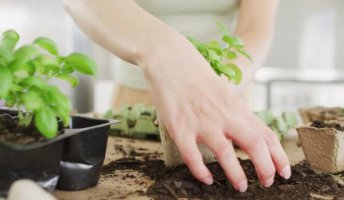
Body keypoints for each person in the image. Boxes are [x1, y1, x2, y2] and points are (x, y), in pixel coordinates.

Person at [64, 0, 291, 193]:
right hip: (136, 99)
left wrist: (212, 90)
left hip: (227, 96)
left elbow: (255, 26)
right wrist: (163, 49)